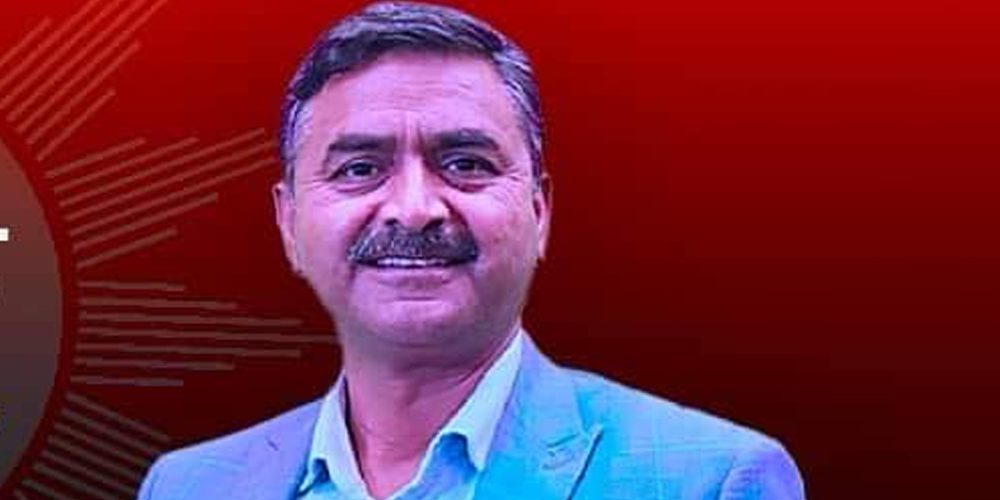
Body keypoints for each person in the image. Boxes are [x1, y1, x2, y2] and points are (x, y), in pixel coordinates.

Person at [138, 2, 805, 499]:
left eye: (465, 163)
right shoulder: (189, 486)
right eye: (359, 169)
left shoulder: (709, 479)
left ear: (540, 211)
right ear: (288, 223)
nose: (414, 208)